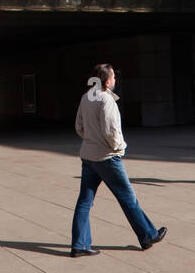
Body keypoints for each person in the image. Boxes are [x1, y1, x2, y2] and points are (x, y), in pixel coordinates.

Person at [70, 63, 166, 257]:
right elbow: (110, 130)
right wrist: (119, 146)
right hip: (107, 157)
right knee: (127, 198)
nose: (115, 80)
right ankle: (148, 235)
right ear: (106, 80)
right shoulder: (106, 100)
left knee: (84, 201)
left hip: (88, 155)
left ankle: (79, 244)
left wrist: (90, 140)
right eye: (113, 77)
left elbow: (79, 126)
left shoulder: (86, 97)